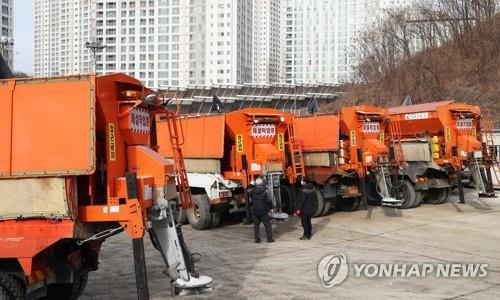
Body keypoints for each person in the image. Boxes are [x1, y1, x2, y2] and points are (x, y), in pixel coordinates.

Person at [248, 177, 274, 243]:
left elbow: (248, 191)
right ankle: (269, 239)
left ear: (256, 183)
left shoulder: (252, 190)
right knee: (267, 225)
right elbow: (269, 201)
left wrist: (251, 184)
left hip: (255, 210)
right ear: (263, 183)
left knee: (256, 226)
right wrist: (271, 209)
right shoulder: (266, 190)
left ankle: (257, 239)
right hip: (264, 210)